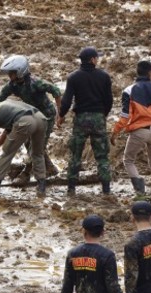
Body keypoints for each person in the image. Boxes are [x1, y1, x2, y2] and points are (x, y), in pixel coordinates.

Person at [0, 55, 62, 184]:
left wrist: (60, 113)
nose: (9, 76)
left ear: (20, 71)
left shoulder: (36, 83)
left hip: (46, 116)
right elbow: (0, 97)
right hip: (31, 115)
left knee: (38, 146)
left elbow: (56, 91)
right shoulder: (12, 85)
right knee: (27, 142)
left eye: (12, 73)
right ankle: (51, 168)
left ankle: (26, 173)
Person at [57, 47, 113, 195]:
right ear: (92, 60)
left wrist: (61, 115)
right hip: (98, 117)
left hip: (80, 119)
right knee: (102, 156)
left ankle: (71, 189)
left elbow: (67, 101)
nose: (98, 60)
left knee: (75, 154)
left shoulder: (73, 77)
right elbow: (109, 101)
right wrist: (102, 115)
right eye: (97, 57)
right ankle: (106, 190)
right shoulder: (104, 76)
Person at [110, 60, 151, 195]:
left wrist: (115, 132)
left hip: (138, 132)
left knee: (128, 160)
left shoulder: (129, 90)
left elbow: (125, 116)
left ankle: (140, 190)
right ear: (150, 73)